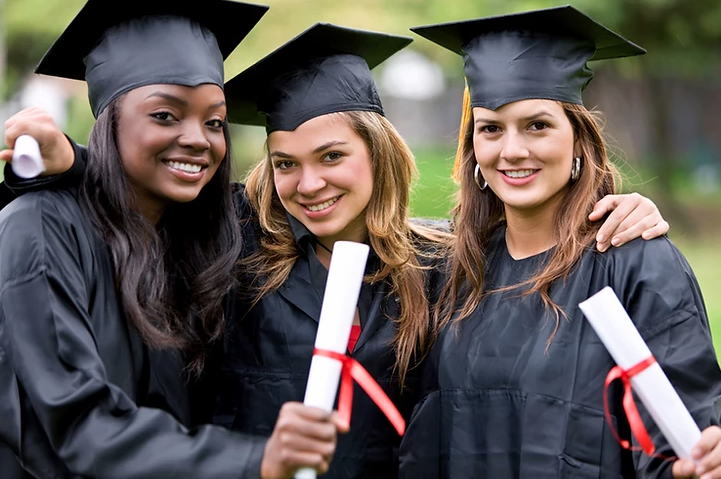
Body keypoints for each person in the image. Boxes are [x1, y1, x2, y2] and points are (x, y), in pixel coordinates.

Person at [2, 21, 669, 479]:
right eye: (285, 162)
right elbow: (154, 184)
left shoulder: (441, 266)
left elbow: (531, 248)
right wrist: (78, 162)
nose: (309, 183)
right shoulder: (236, 245)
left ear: (377, 153)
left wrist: (613, 206)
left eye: (331, 156)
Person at [0, 1, 345, 478]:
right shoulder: (39, 227)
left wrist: (82, 165)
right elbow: (77, 424)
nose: (198, 139)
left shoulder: (193, 232)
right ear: (109, 121)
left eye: (215, 121)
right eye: (165, 115)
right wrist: (255, 460)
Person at [398, 5, 721, 479]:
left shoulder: (635, 264)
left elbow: (683, 436)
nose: (511, 151)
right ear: (473, 150)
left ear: (578, 140)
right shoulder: (446, 270)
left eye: (537, 125)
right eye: (490, 129)